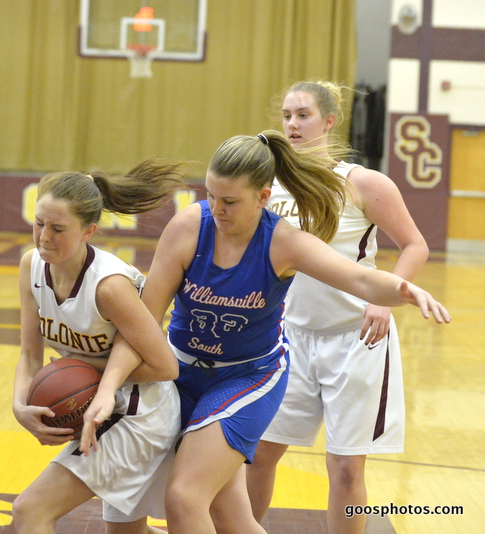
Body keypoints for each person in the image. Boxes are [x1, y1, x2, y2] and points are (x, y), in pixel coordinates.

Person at [84, 130, 449, 534]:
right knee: (228, 516)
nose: (217, 211)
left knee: (184, 498)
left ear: (263, 196)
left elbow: (361, 281)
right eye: (211, 196)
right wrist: (107, 388)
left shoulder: (283, 241)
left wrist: (403, 288)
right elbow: (144, 321)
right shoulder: (190, 225)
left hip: (247, 378)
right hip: (179, 372)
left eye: (230, 202)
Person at [246, 81, 429, 534]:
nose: (292, 123)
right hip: (287, 340)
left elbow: (414, 244)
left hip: (356, 339)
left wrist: (384, 300)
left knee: (346, 469)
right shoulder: (267, 183)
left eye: (303, 114)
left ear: (329, 121)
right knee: (259, 453)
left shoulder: (361, 182)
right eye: (287, 114)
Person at [11, 161, 187, 534]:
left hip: (141, 413)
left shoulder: (108, 286)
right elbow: (30, 354)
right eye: (39, 223)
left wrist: (91, 378)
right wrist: (19, 405)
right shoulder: (31, 266)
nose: (44, 237)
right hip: (103, 408)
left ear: (88, 231)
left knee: (30, 511)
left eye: (58, 229)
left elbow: (165, 367)